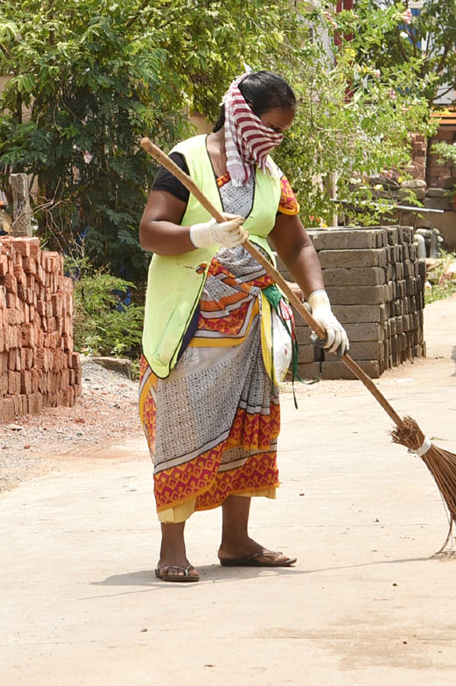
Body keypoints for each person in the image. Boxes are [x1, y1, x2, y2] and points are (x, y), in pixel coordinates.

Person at [138, 71, 349, 583]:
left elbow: (295, 244)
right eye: (270, 128)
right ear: (241, 116)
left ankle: (236, 541)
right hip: (193, 320)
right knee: (184, 423)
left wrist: (320, 301)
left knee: (246, 425)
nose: (275, 141)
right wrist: (202, 232)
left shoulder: (270, 177)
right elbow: (150, 231)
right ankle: (172, 547)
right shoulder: (187, 160)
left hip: (252, 320)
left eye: (283, 133)